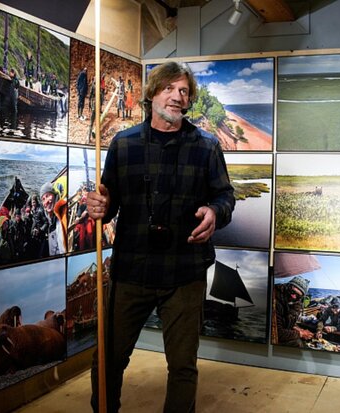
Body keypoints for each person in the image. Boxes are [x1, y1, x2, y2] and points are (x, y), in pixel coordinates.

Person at [86, 61, 235, 413]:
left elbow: (225, 197)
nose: (177, 96)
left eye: (183, 91)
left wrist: (215, 212)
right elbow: (109, 203)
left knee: (182, 367)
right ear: (152, 94)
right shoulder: (123, 145)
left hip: (184, 273)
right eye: (169, 88)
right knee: (107, 360)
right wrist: (99, 206)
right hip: (131, 271)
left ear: (189, 100)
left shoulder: (207, 147)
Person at [273, 276, 313, 348]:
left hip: (281, 332)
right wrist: (300, 333)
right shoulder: (275, 301)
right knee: (298, 343)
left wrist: (298, 329)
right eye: (292, 292)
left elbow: (286, 323)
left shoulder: (293, 302)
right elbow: (277, 332)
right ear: (288, 286)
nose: (294, 297)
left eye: (298, 296)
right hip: (272, 338)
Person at [39, 182, 66, 257]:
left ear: (54, 195)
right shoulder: (50, 218)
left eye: (47, 196)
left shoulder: (62, 216)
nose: (46, 201)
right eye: (43, 199)